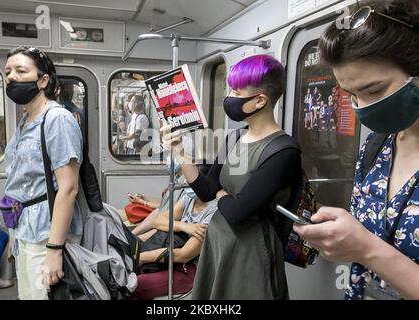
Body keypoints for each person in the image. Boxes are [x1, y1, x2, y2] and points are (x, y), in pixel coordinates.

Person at [294, 0, 419, 300]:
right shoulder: (376, 148)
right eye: (351, 95)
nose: (363, 108)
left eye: (374, 90)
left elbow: (369, 247)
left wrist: (366, 248)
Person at [162, 54, 302, 299]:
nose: (229, 99)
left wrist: (222, 196)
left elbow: (238, 212)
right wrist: (179, 151)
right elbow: (207, 190)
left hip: (250, 253)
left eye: (237, 93)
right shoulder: (235, 139)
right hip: (219, 246)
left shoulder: (283, 152)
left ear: (259, 101)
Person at [3, 46, 83, 299]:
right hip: (23, 229)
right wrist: (13, 237)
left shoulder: (57, 118)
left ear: (43, 80)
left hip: (45, 232)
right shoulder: (25, 120)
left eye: (20, 71)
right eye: (8, 72)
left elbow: (68, 188)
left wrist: (54, 250)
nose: (11, 77)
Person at [133, 175, 217, 300]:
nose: (186, 186)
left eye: (190, 183)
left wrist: (141, 257)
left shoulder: (212, 212)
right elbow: (158, 221)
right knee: (127, 274)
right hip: (168, 258)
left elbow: (184, 255)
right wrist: (185, 226)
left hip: (187, 269)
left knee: (135, 285)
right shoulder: (189, 199)